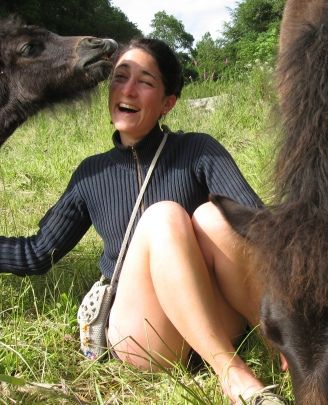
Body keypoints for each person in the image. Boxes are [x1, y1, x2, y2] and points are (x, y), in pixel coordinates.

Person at [0, 38, 285, 405]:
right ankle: (233, 374)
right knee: (163, 217)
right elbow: (37, 253)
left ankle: (282, 344)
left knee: (215, 217)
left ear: (168, 103)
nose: (128, 90)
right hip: (147, 332)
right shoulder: (91, 174)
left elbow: (258, 227)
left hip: (215, 316)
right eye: (120, 77)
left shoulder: (198, 150)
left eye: (145, 81)